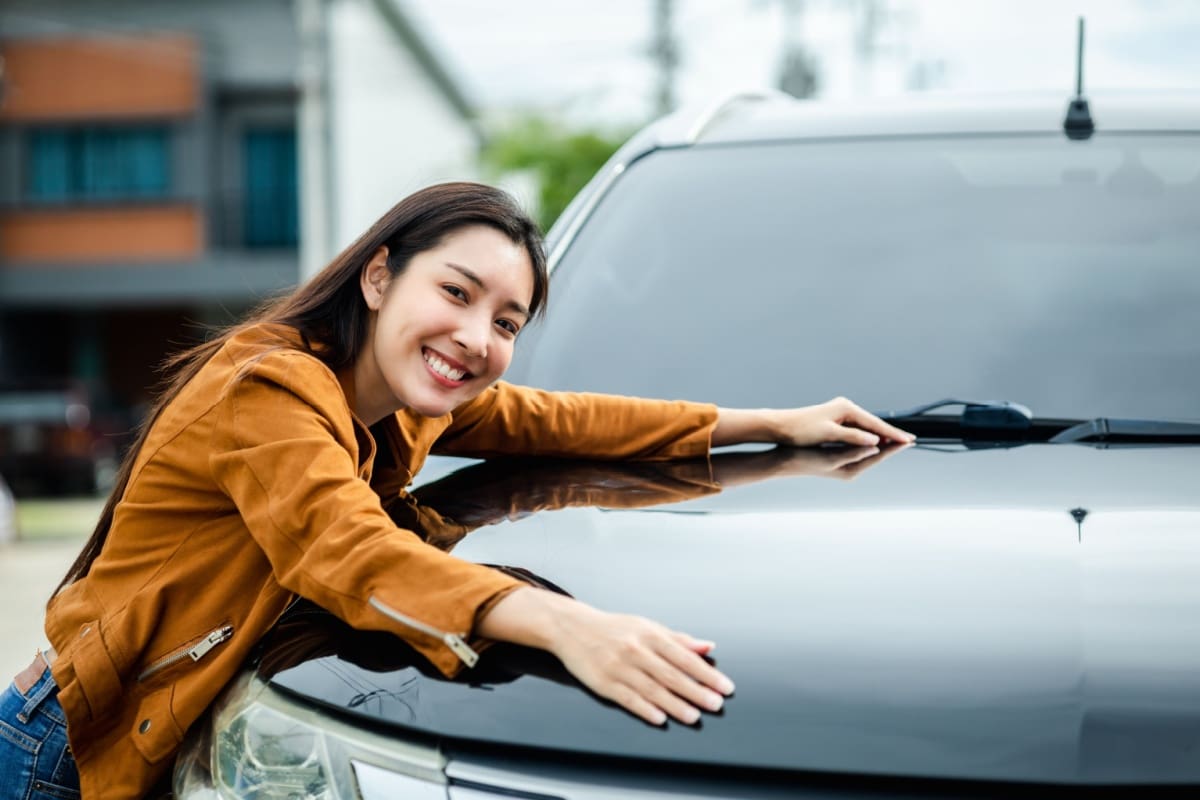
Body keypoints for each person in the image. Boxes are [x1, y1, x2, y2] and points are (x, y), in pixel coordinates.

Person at [0, 182, 912, 799]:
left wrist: (774, 423)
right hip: (63, 746)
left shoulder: (402, 401)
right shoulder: (267, 391)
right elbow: (344, 546)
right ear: (379, 275)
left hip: (163, 729)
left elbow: (567, 421)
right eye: (457, 292)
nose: (477, 337)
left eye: (506, 320)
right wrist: (566, 621)